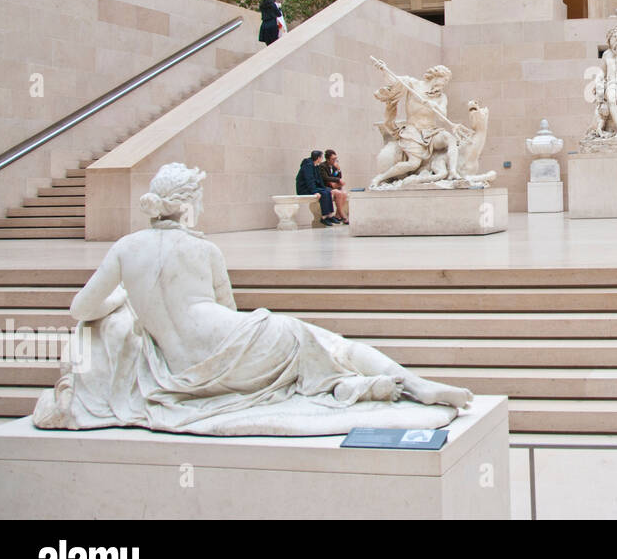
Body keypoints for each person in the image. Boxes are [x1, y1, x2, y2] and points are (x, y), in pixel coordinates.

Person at [32, 163, 471, 434]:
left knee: (322, 354)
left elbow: (82, 309)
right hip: (240, 343)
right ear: (187, 205)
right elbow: (227, 313)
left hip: (181, 371)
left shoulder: (126, 248)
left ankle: (351, 384)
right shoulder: (203, 249)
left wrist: (125, 301)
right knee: (334, 345)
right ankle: (412, 385)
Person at [296, 150, 340, 227]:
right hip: (304, 189)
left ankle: (329, 215)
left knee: (328, 191)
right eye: (321, 157)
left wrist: (324, 188)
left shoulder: (315, 165)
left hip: (311, 188)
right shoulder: (308, 166)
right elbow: (309, 180)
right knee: (323, 193)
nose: (322, 159)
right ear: (318, 158)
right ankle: (324, 217)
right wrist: (314, 191)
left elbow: (319, 180)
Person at [323, 148, 350, 225]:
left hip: (334, 186)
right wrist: (337, 180)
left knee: (344, 194)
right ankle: (343, 215)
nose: (335, 160)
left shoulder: (335, 166)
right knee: (339, 193)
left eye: (336, 158)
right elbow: (326, 178)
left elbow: (339, 177)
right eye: (333, 159)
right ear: (328, 159)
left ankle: (337, 216)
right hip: (327, 187)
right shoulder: (323, 166)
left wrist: (338, 170)